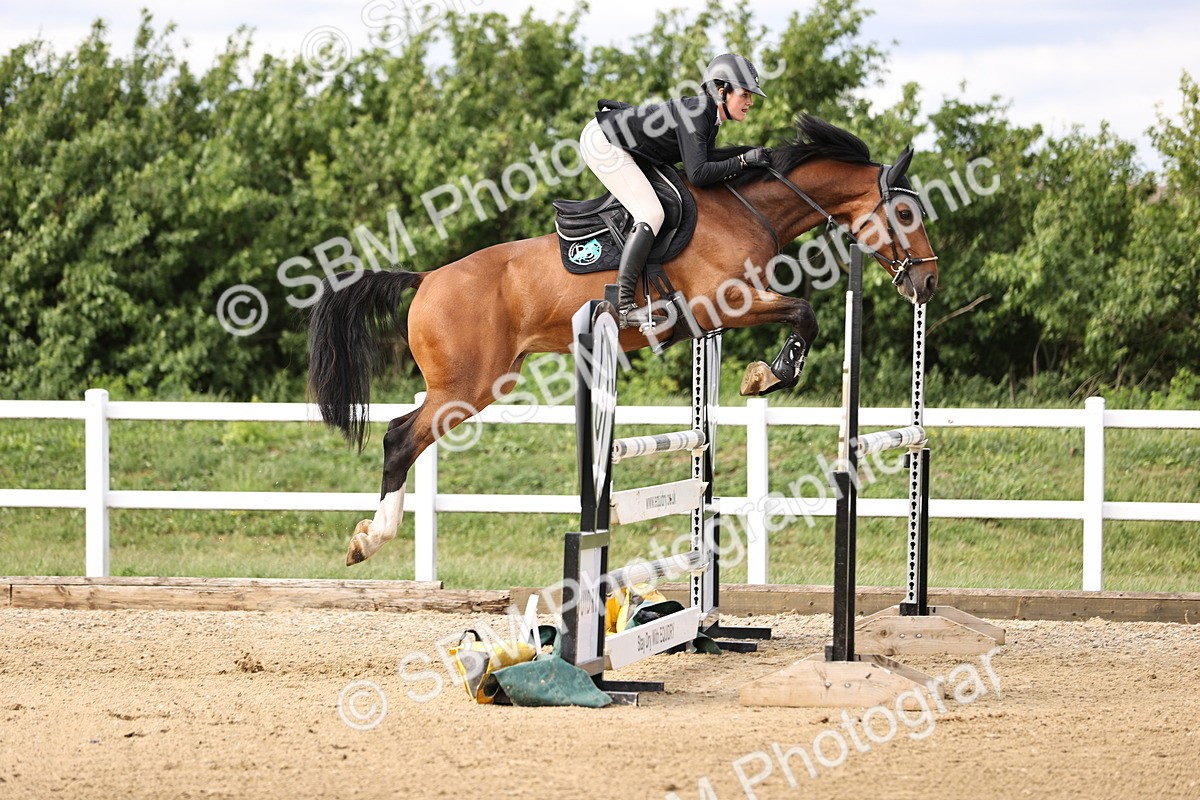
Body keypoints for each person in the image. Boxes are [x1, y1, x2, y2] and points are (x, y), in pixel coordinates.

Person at [580, 53, 771, 329]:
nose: (750, 102)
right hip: (603, 142)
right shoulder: (698, 113)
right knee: (651, 212)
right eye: (744, 94)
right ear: (722, 90)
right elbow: (699, 173)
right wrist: (743, 161)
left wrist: (750, 165)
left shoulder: (708, 117)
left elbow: (708, 167)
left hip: (626, 146)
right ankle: (622, 306)